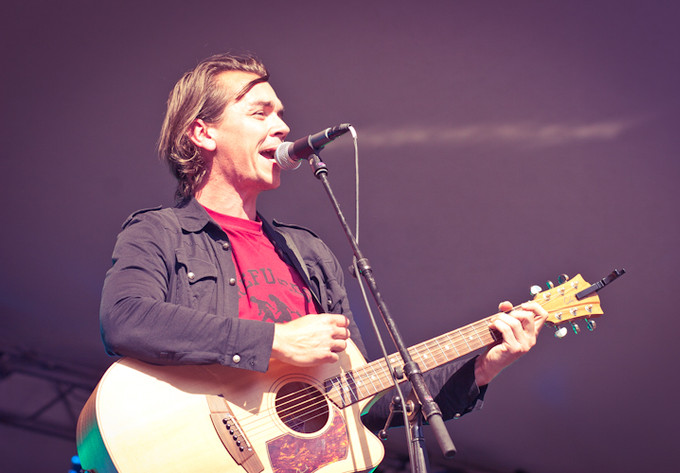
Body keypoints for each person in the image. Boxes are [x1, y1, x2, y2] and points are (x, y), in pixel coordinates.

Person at [99, 53, 547, 440]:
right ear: (203, 133)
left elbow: (365, 401)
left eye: (280, 114)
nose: (283, 126)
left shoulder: (308, 254)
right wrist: (274, 341)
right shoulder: (159, 232)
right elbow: (124, 319)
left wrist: (483, 367)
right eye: (260, 113)